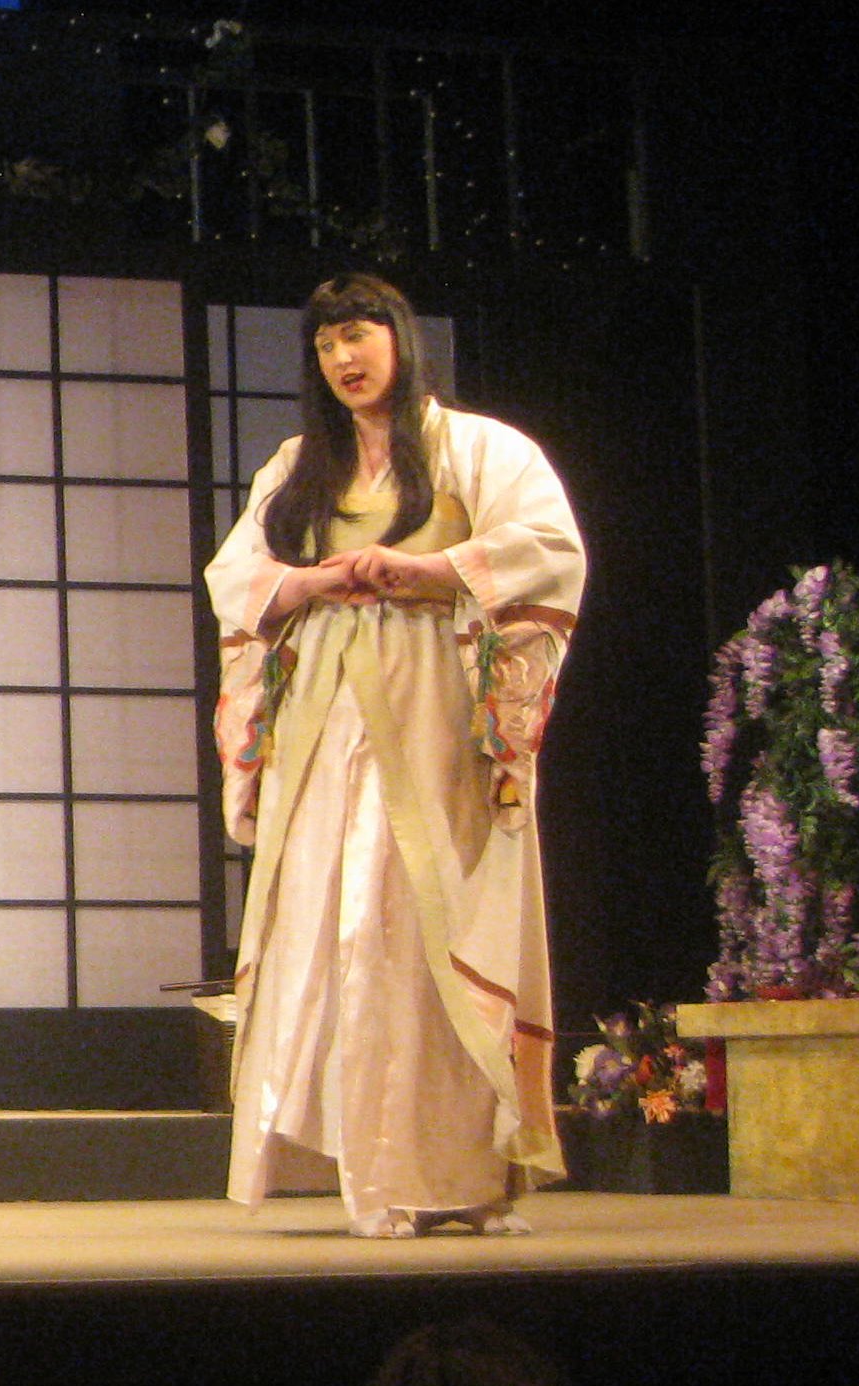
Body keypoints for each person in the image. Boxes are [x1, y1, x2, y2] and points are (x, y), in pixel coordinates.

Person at [205, 273, 585, 1238]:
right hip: (326, 713)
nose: (344, 357)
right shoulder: (301, 464)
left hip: (433, 709)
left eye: (359, 335)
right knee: (335, 919)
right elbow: (236, 575)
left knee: (425, 925)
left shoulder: (480, 448)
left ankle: (462, 1170)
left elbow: (552, 548)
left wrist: (434, 569)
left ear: (399, 340)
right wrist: (313, 581)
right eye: (327, 343)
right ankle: (374, 1172)